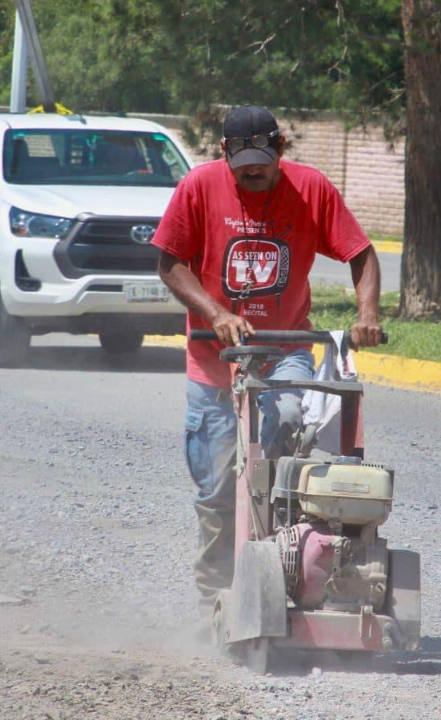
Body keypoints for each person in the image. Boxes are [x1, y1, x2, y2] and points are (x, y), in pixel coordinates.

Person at [153, 104, 383, 616]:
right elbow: (168, 262)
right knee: (215, 493)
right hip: (212, 361)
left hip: (285, 348)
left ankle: (286, 564)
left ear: (281, 150)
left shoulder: (310, 189)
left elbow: (361, 253)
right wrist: (215, 313)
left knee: (284, 429)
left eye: (263, 164)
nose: (254, 176)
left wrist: (366, 312)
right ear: (223, 155)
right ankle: (214, 596)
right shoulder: (198, 187)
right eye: (244, 169)